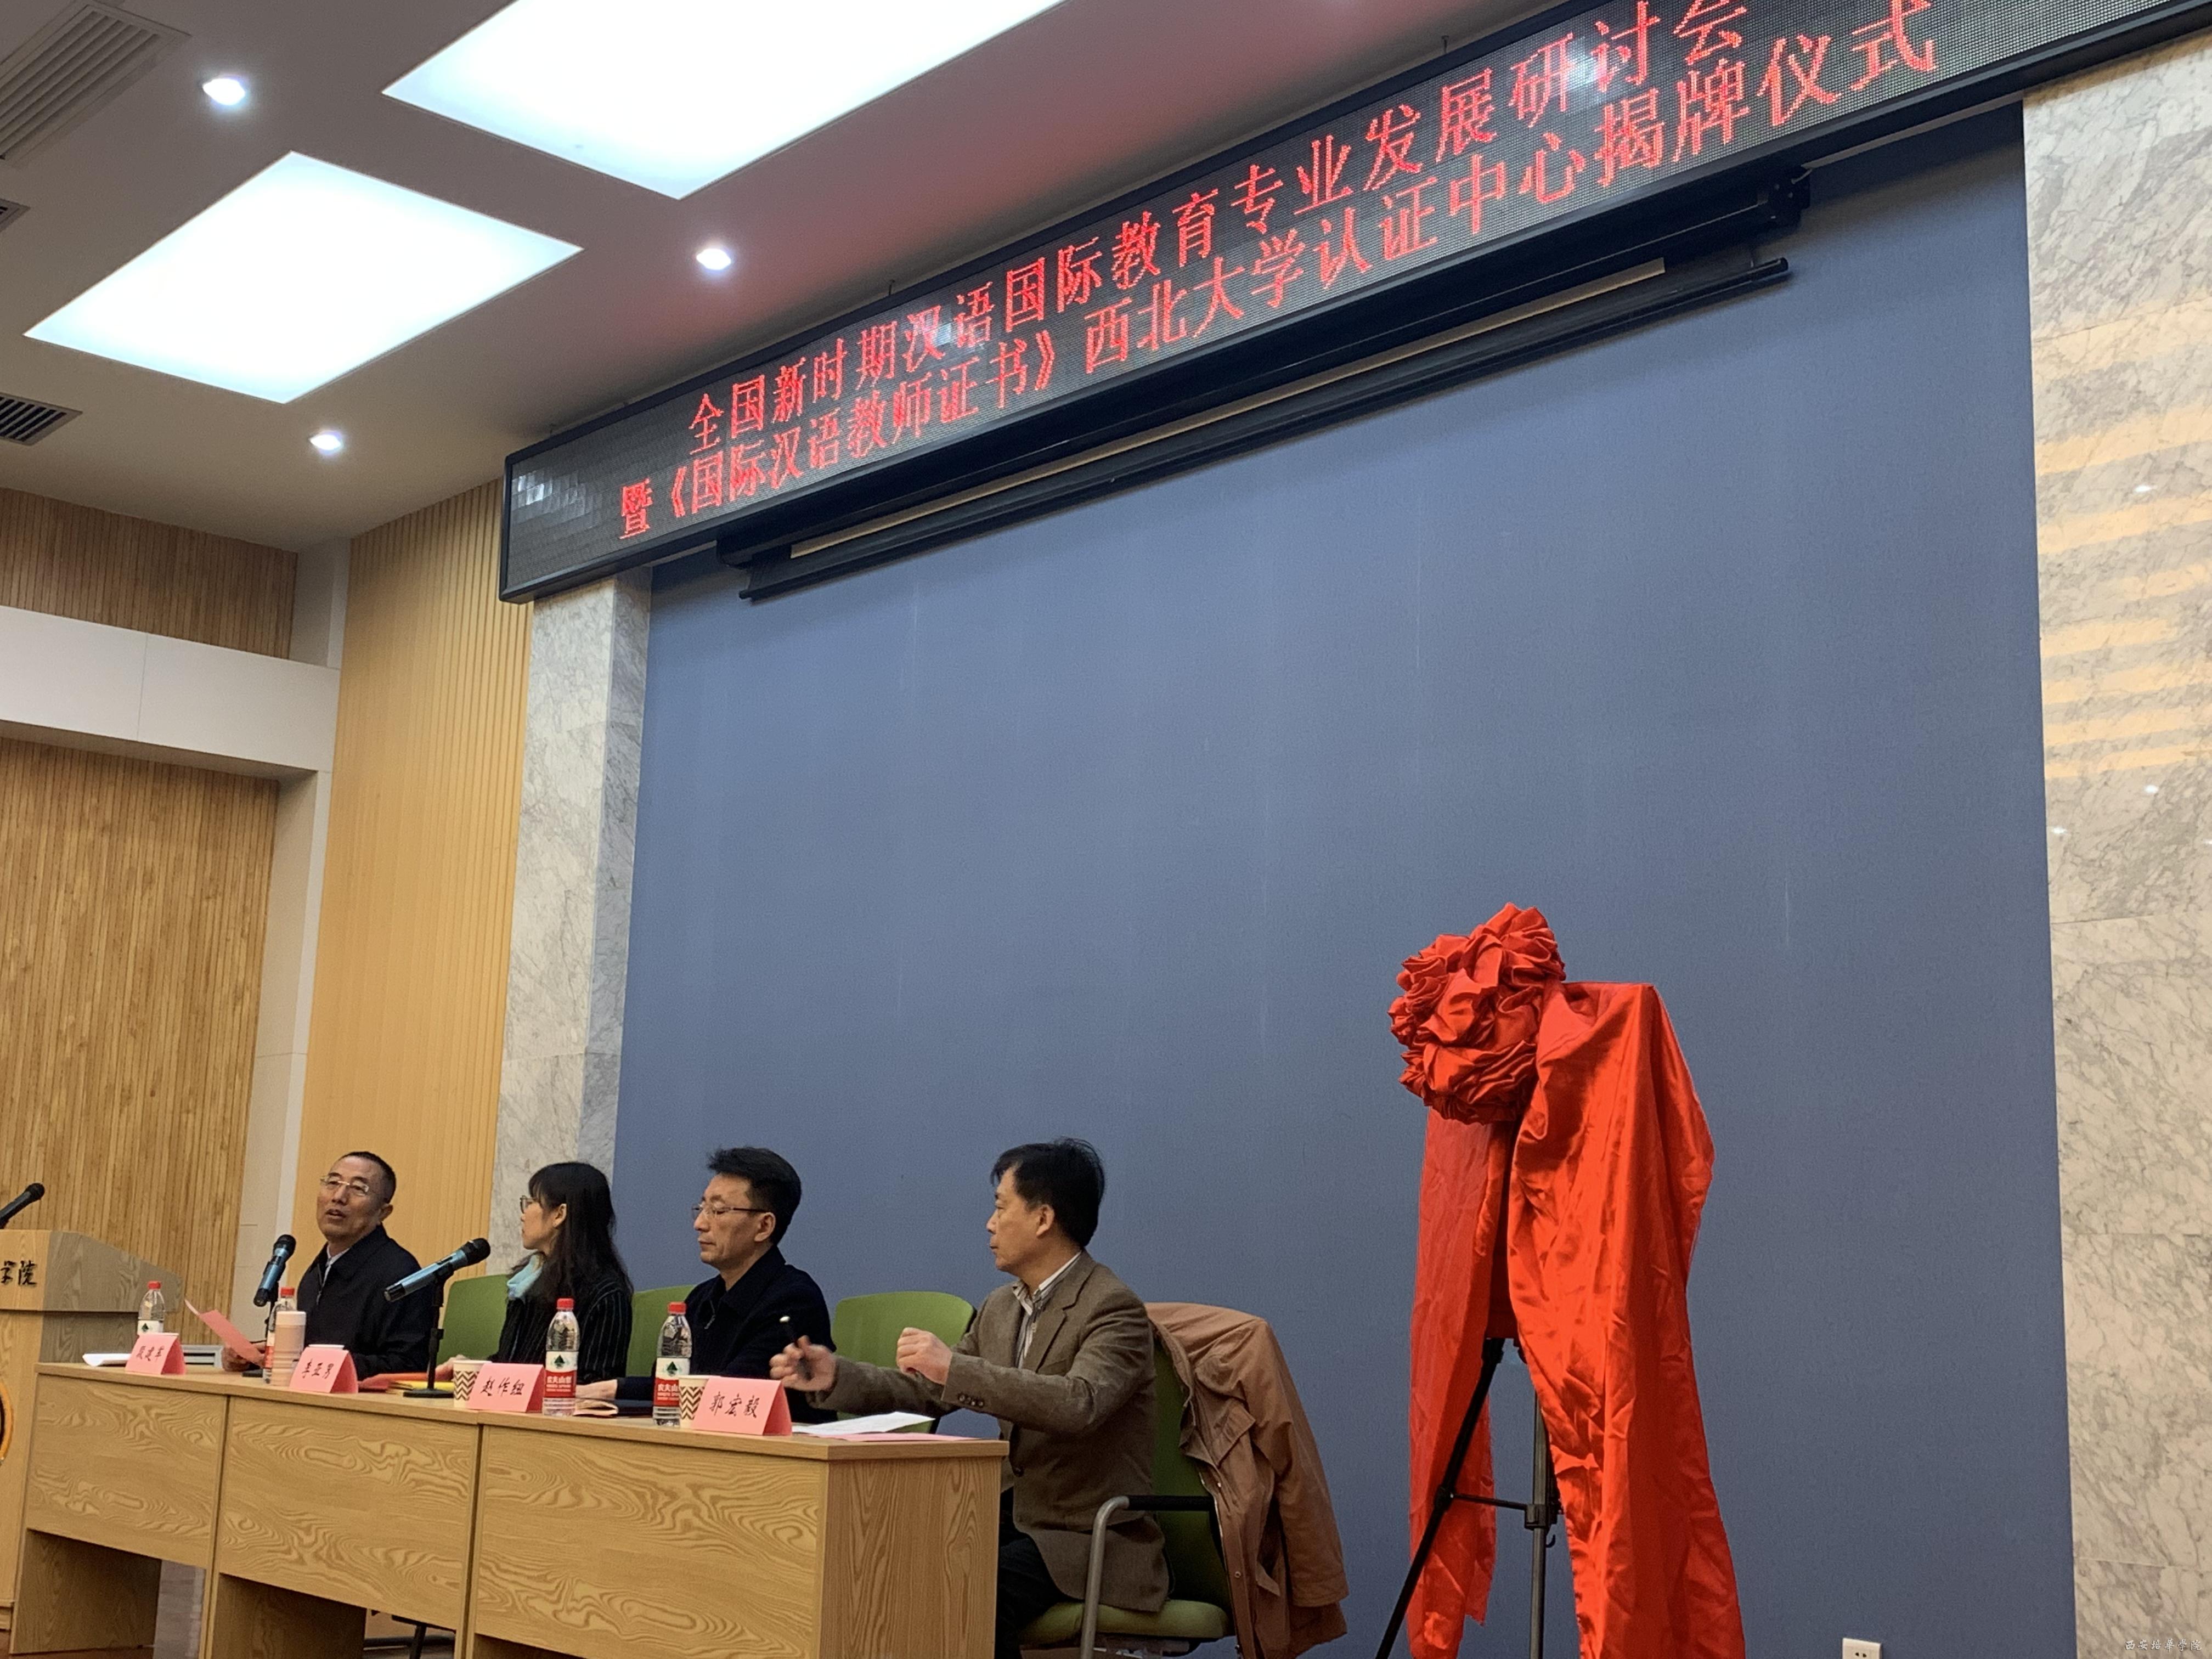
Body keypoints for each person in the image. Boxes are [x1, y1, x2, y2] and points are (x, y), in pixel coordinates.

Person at [772, 1139, 1166, 1659]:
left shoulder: (1113, 1308)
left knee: (970, 1592)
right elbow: (928, 1390)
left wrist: (955, 1369)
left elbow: (1080, 1404)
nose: (989, 1224)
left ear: (1043, 1218)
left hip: (1082, 1537)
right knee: (892, 1569)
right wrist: (835, 1376)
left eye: (1001, 1208)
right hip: (1004, 1519)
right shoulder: (1002, 1307)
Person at [579, 1146, 833, 1421]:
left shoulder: (795, 1299)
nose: (700, 1224)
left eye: (718, 1211)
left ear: (764, 1226)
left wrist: (610, 1389)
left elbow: (732, 1393)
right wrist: (600, 1391)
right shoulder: (701, 1298)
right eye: (702, 1208)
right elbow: (666, 1384)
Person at [487, 1161, 633, 1384]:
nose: (523, 1215)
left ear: (559, 1214)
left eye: (533, 1202)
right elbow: (509, 1363)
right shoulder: (528, 1282)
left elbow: (596, 1383)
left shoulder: (605, 1294)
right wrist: (470, 1369)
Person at [295, 1151, 437, 1379]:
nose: (339, 1197)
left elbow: (408, 1364)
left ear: (383, 1212)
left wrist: (323, 1364)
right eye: (333, 1183)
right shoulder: (319, 1270)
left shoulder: (402, 1274)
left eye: (359, 1189)